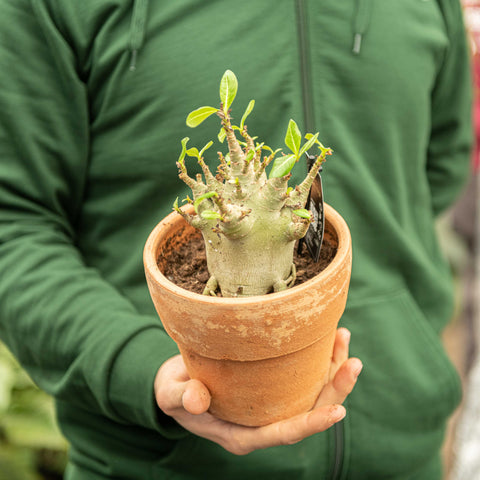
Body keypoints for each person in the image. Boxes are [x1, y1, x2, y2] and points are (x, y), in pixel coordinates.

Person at [0, 1, 472, 479]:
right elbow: (13, 224)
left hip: (400, 454)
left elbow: (436, 170)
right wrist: (141, 365)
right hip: (153, 462)